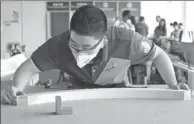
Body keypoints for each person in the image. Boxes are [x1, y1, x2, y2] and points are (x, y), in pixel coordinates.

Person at [3, 5, 189, 105]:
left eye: (87, 47)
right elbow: (27, 69)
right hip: (78, 97)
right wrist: (16, 90)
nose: (79, 52)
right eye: (74, 44)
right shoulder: (57, 46)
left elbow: (159, 55)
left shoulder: (127, 41)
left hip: (119, 94)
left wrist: (173, 84)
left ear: (104, 41)